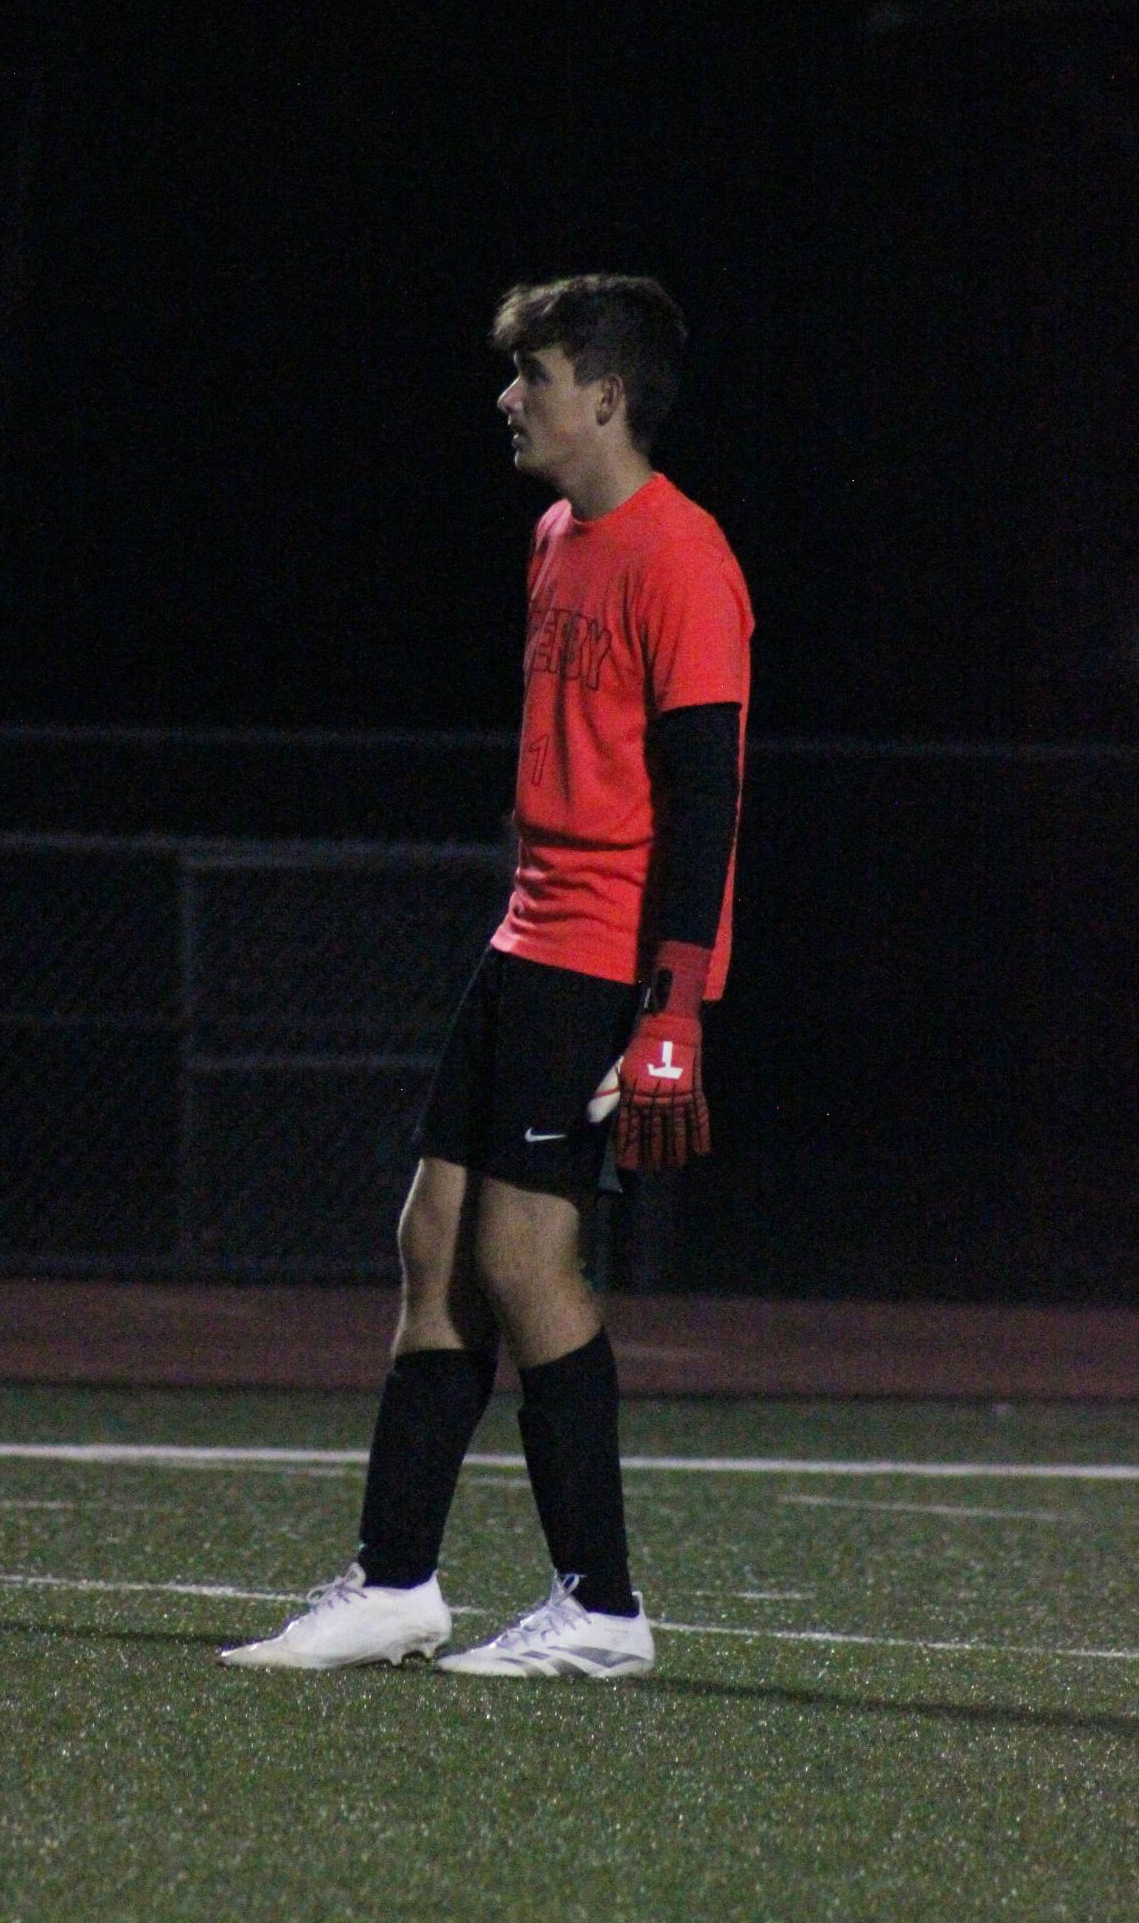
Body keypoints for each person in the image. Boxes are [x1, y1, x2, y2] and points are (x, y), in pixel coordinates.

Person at [220, 273, 753, 1678]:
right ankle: (396, 1581)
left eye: (534, 372)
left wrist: (674, 1005)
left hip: (600, 957)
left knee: (525, 1257)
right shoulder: (550, 537)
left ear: (608, 394)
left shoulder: (684, 556)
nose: (509, 397)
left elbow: (705, 801)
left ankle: (601, 1605)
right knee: (431, 1238)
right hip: (522, 933)